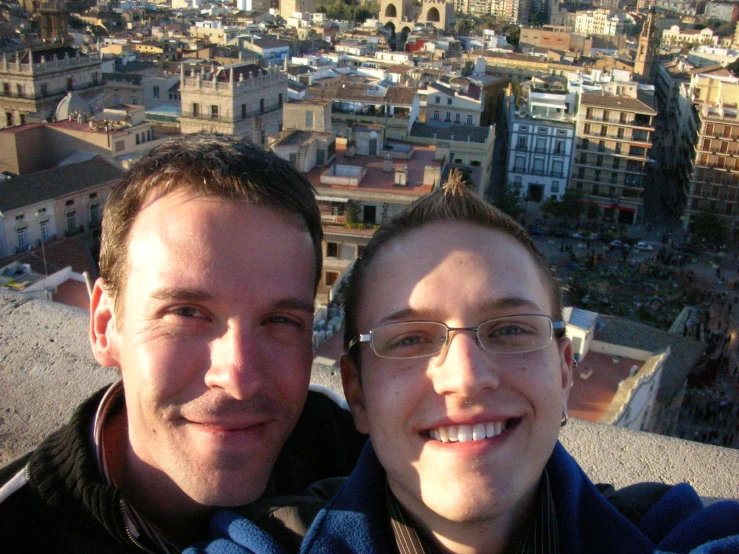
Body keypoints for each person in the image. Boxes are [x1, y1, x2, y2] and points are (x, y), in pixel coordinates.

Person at [189, 172, 739, 554]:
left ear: (565, 367)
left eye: (510, 331)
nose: (467, 376)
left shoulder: (673, 533)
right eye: (409, 340)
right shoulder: (270, 544)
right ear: (356, 392)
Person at [0, 134, 365, 553]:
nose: (238, 378)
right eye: (186, 313)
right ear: (106, 326)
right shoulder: (16, 531)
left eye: (280, 320)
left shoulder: (356, 454)